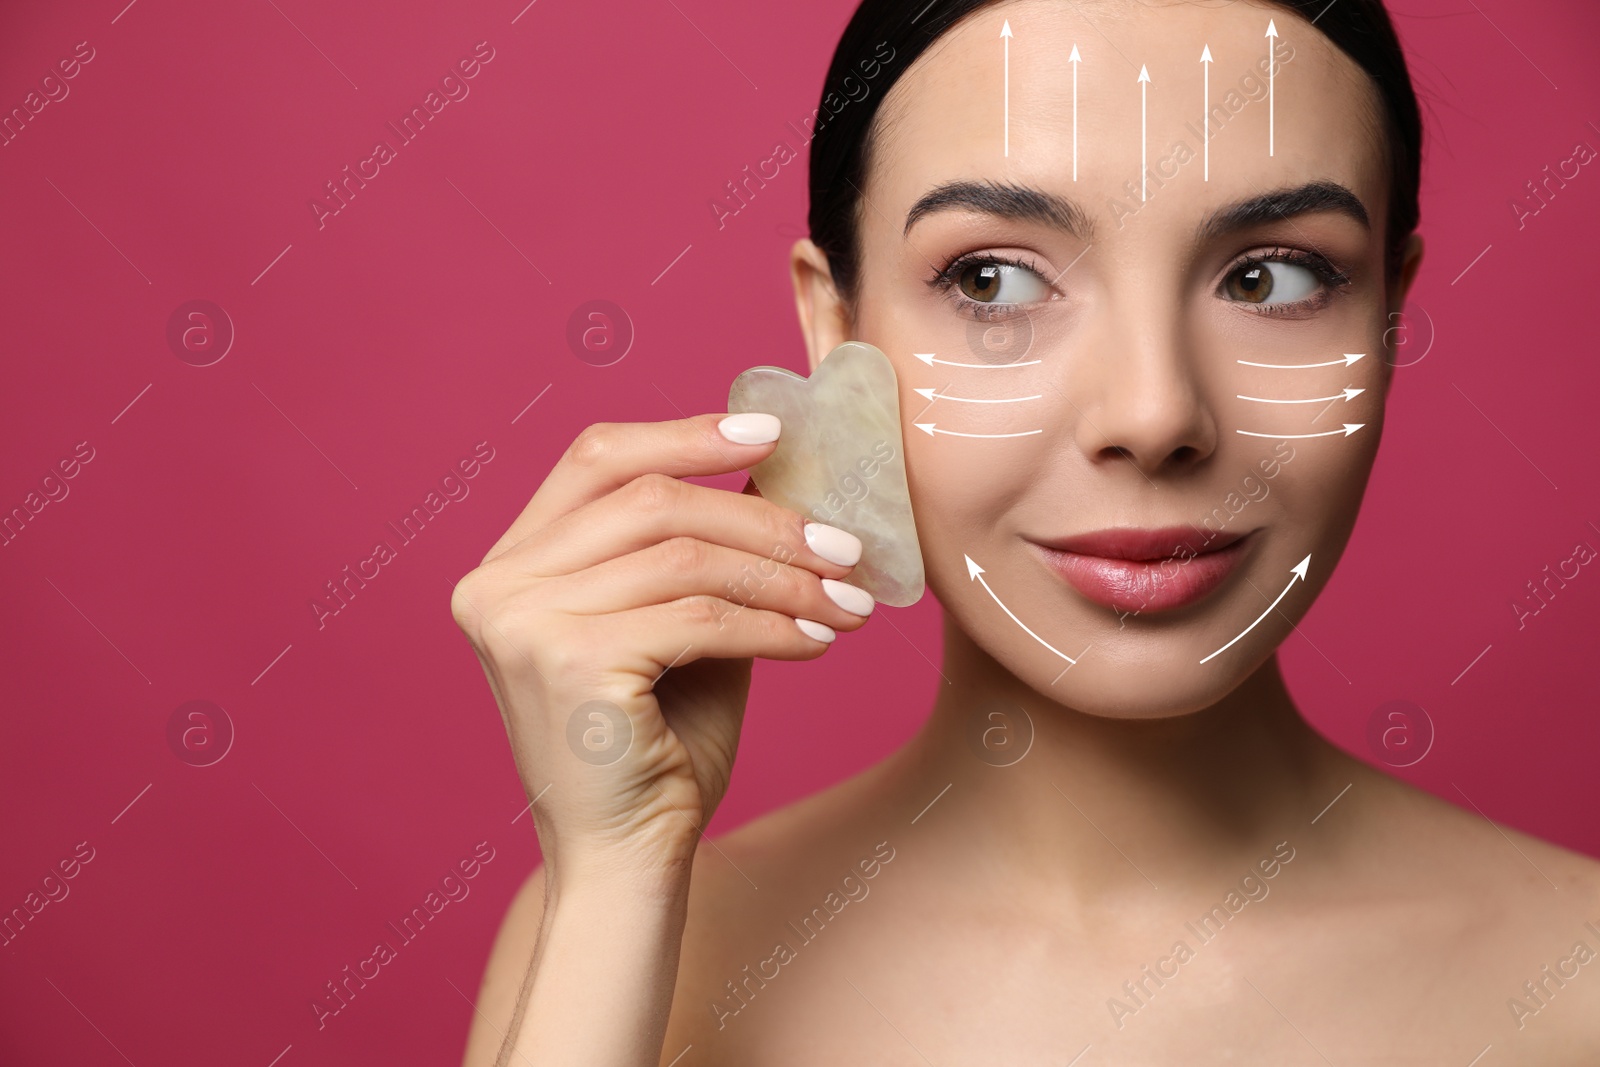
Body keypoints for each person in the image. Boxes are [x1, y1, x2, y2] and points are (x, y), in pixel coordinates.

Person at [452, 0, 1600, 1062]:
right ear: (836, 332)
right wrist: (614, 883)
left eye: (1269, 278)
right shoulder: (633, 945)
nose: (1152, 413)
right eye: (992, 281)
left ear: (1389, 318)